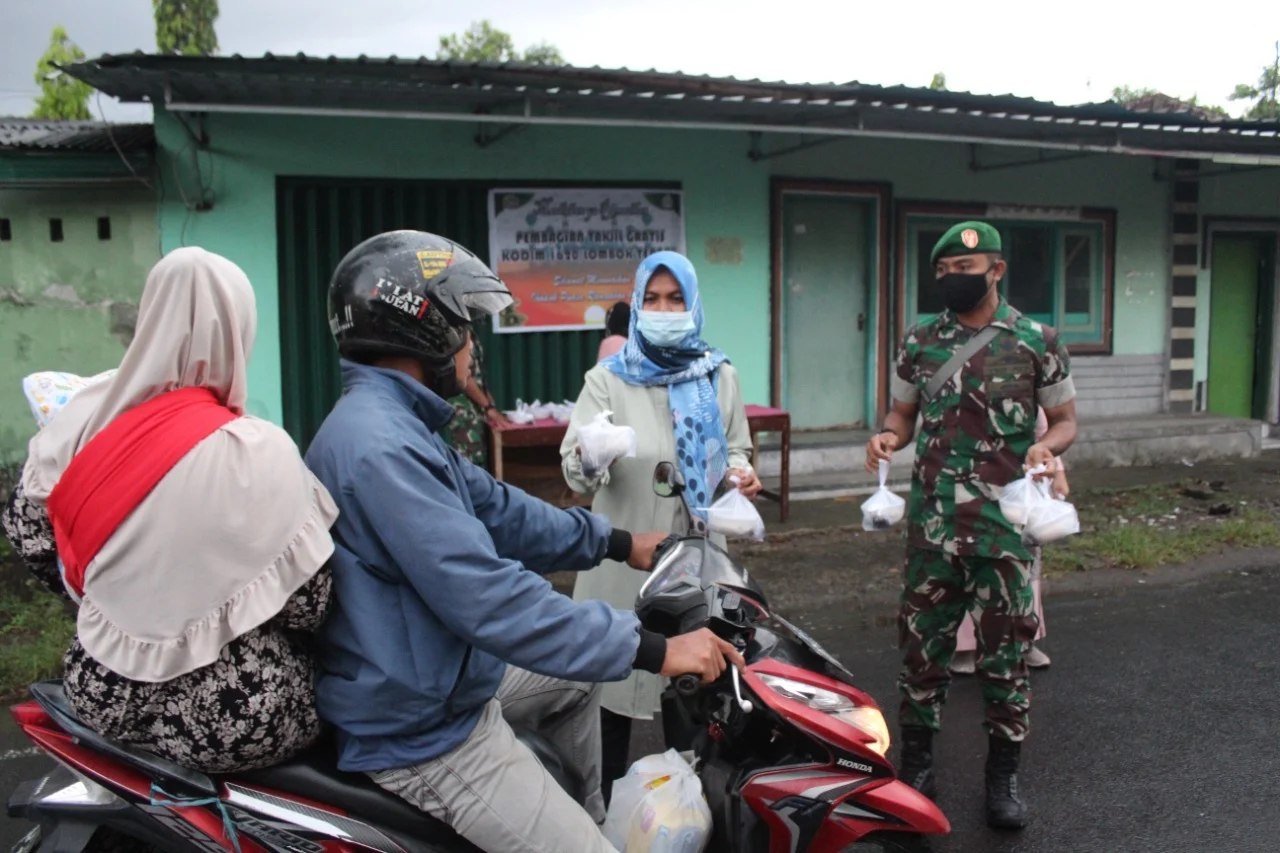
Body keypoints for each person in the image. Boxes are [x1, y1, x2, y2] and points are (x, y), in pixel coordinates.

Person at [304, 231, 744, 853]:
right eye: (463, 327)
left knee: (577, 681)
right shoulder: (381, 448)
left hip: (442, 679)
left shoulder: (398, 427)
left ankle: (586, 823)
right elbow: (492, 599)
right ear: (424, 332)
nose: (471, 345)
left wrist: (619, 542)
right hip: (425, 732)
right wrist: (655, 649)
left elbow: (502, 511)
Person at [0, 247, 338, 774]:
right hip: (234, 717)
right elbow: (309, 605)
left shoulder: (81, 415)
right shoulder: (258, 452)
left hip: (102, 694)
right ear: (239, 330)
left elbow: (31, 538)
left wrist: (115, 598)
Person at [864, 221, 1077, 830]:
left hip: (1002, 530)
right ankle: (918, 769)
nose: (954, 278)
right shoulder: (920, 340)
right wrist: (887, 437)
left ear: (996, 270)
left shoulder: (1037, 340)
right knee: (921, 655)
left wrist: (1048, 448)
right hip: (932, 529)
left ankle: (1002, 779)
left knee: (1005, 659)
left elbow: (1065, 419)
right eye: (945, 270)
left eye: (966, 268)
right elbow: (902, 413)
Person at [563, 251, 760, 802]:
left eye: (675, 299)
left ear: (693, 304)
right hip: (620, 566)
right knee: (605, 708)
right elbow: (575, 474)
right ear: (636, 304)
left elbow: (737, 449)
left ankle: (690, 824)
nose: (664, 310)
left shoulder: (719, 375)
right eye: (652, 299)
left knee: (693, 716)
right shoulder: (606, 380)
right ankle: (598, 826)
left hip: (695, 570)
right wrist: (592, 454)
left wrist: (740, 474)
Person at [952, 407, 1066, 674]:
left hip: (1020, 490)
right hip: (971, 488)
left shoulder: (1028, 395)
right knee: (971, 563)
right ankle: (966, 647)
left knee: (1024, 565)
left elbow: (1045, 434)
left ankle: (1024, 643)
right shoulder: (962, 393)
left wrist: (1058, 473)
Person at [441, 326, 510, 467]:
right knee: (467, 463)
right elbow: (463, 378)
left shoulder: (469, 330)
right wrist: (488, 407)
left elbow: (477, 374)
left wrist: (489, 401)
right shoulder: (456, 332)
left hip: (475, 411)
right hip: (463, 413)